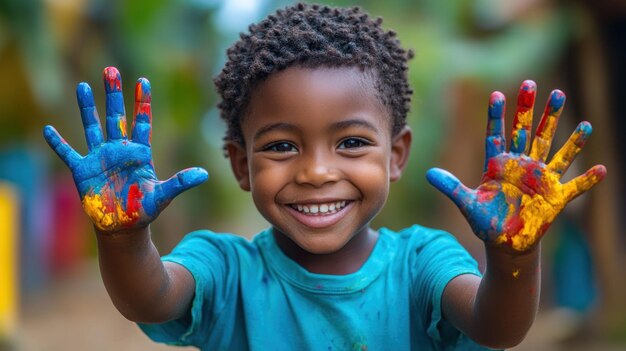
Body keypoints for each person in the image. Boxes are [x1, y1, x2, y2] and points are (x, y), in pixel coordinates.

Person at [42, 3, 606, 350]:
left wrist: (513, 257)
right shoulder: (226, 269)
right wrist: (123, 236)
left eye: (352, 143)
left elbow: (496, 329)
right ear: (242, 164)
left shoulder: (422, 263)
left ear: (396, 154)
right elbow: (152, 299)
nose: (315, 171)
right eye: (282, 146)